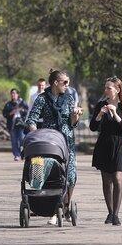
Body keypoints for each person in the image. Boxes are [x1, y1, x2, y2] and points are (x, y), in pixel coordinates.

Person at [25, 68, 83, 225]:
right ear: (55, 83)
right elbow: (32, 119)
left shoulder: (70, 98)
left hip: (66, 142)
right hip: (48, 142)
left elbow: (72, 123)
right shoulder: (42, 99)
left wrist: (75, 116)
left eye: (68, 82)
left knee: (70, 177)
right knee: (48, 175)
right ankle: (51, 208)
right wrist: (36, 137)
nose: (67, 85)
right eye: (65, 82)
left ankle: (65, 206)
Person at [90, 76, 122, 226]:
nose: (106, 90)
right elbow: (93, 127)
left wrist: (115, 114)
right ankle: (109, 212)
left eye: (109, 88)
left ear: (117, 90)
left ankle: (116, 214)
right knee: (106, 180)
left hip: (119, 145)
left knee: (117, 178)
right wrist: (100, 114)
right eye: (105, 88)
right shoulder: (100, 105)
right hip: (104, 144)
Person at [2, 88, 30, 160]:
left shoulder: (22, 102)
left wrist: (21, 110)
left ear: (18, 94)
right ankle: (17, 155)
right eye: (12, 93)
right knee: (14, 141)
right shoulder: (8, 104)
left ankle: (24, 153)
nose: (13, 95)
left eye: (14, 93)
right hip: (12, 124)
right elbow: (4, 114)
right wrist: (11, 113)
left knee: (22, 139)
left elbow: (28, 111)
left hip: (21, 124)